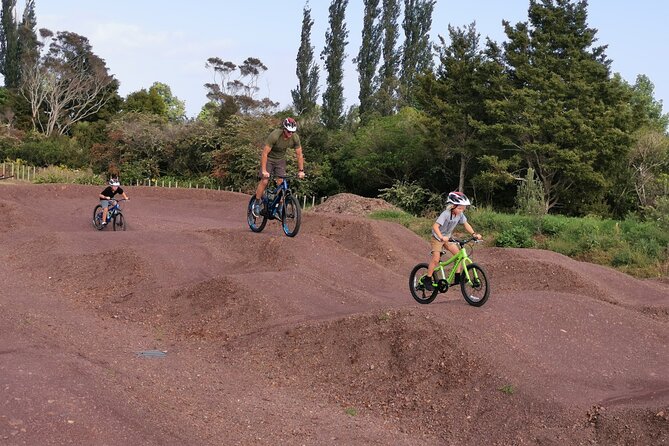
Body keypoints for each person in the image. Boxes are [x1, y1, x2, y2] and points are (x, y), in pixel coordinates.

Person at [424, 191, 482, 291]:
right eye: (459, 208)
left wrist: (474, 234)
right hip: (437, 238)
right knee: (436, 259)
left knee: (458, 255)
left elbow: (466, 224)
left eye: (463, 208)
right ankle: (427, 279)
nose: (461, 210)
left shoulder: (460, 214)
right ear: (452, 206)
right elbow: (435, 226)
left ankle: (457, 277)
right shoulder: (445, 214)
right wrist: (441, 237)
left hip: (448, 238)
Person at [251, 117, 305, 217]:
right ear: (284, 129)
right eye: (288, 131)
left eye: (292, 132)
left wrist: (301, 170)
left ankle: (280, 207)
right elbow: (264, 153)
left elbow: (299, 154)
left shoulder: (295, 138)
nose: (290, 134)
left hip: (280, 160)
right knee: (265, 180)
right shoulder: (275, 135)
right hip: (269, 159)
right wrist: (263, 170)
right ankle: (257, 203)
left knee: (281, 182)